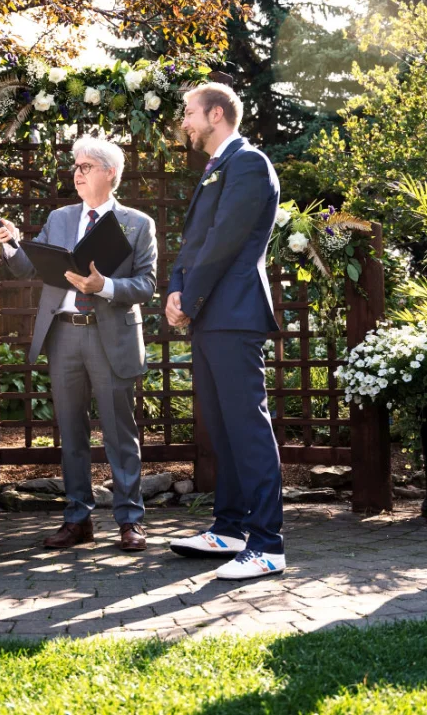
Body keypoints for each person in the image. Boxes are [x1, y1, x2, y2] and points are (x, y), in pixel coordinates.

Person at [0, 135, 157, 552]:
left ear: (110, 172)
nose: (77, 174)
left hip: (110, 336)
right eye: (75, 167)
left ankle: (130, 521)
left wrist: (105, 286)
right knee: (71, 432)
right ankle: (77, 519)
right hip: (63, 333)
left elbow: (147, 285)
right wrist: (11, 243)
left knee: (120, 432)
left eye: (85, 167)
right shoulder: (60, 217)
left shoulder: (138, 223)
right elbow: (31, 267)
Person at [163, 83, 285, 581]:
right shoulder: (215, 168)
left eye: (189, 114)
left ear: (216, 114)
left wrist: (188, 300)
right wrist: (174, 289)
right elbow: (194, 242)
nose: (184, 123)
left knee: (248, 426)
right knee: (223, 426)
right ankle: (231, 529)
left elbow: (224, 242)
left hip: (233, 312)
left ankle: (268, 544)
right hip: (211, 314)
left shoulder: (250, 163)